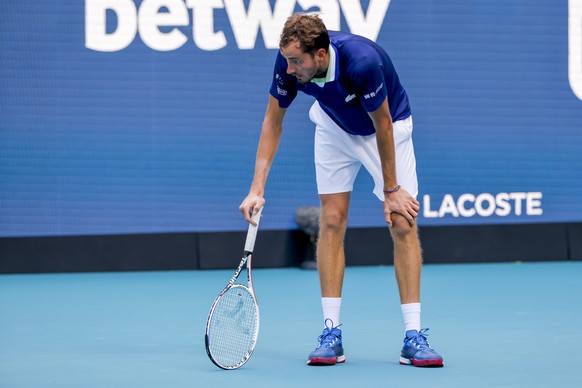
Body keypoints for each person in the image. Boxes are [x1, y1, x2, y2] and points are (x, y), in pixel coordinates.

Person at [239, 13, 443, 368]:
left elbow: (382, 125)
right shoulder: (289, 61)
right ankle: (331, 333)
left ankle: (414, 337)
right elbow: (273, 121)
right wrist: (257, 188)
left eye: (296, 62)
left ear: (320, 56)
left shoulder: (363, 63)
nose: (289, 70)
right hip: (334, 128)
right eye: (287, 60)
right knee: (331, 220)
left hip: (388, 130)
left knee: (402, 222)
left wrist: (392, 188)